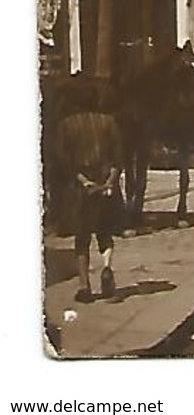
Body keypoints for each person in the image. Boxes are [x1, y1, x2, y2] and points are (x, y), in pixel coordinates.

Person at [55, 79, 124, 302]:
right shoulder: (109, 122)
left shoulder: (66, 125)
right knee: (105, 233)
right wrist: (110, 182)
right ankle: (106, 267)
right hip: (105, 185)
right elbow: (118, 157)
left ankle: (85, 286)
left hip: (80, 189)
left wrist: (84, 181)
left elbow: (64, 161)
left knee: (82, 238)